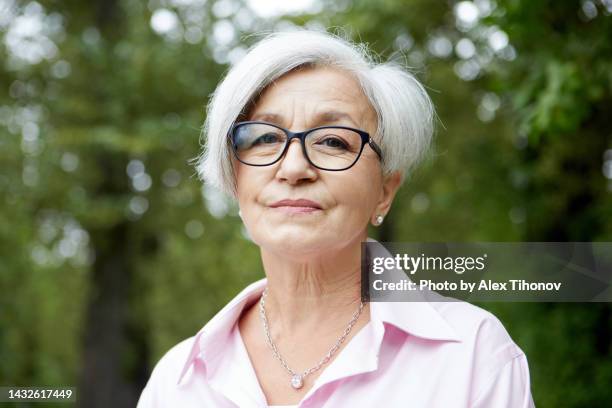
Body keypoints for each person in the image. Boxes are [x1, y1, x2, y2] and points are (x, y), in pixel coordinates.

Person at [137, 29, 535, 407]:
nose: (293, 168)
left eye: (332, 141)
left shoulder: (474, 357)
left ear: (385, 191)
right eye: (265, 138)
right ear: (234, 179)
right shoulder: (176, 381)